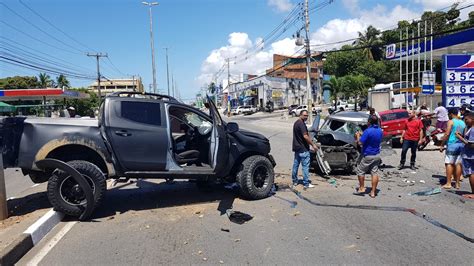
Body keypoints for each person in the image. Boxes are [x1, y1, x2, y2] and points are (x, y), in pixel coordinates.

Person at [354, 115, 383, 198]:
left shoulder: (368, 131)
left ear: (369, 122)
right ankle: (373, 192)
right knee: (374, 173)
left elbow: (360, 143)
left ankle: (362, 188)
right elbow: (374, 137)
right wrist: (363, 135)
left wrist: (358, 136)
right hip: (377, 155)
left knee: (360, 171)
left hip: (368, 155)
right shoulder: (380, 130)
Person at [440, 108, 466, 189]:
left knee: (449, 163)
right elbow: (464, 135)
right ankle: (457, 183)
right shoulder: (462, 122)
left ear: (451, 114)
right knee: (458, 164)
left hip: (452, 144)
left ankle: (448, 183)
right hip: (461, 145)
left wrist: (441, 144)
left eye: (448, 114)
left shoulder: (451, 122)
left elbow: (447, 134)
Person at [292, 110, 318, 189]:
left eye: (307, 115)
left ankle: (295, 181)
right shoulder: (301, 124)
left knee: (295, 165)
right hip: (303, 149)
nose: (306, 117)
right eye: (305, 115)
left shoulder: (296, 123)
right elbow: (305, 136)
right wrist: (313, 144)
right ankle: (306, 183)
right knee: (305, 167)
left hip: (297, 148)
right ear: (300, 115)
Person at [455, 113, 474, 199]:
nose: (465, 121)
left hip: (470, 156)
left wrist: (460, 138)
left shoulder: (473, 129)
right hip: (469, 155)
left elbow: (471, 145)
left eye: (467, 119)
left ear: (472, 119)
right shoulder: (470, 129)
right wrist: (462, 136)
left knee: (471, 173)